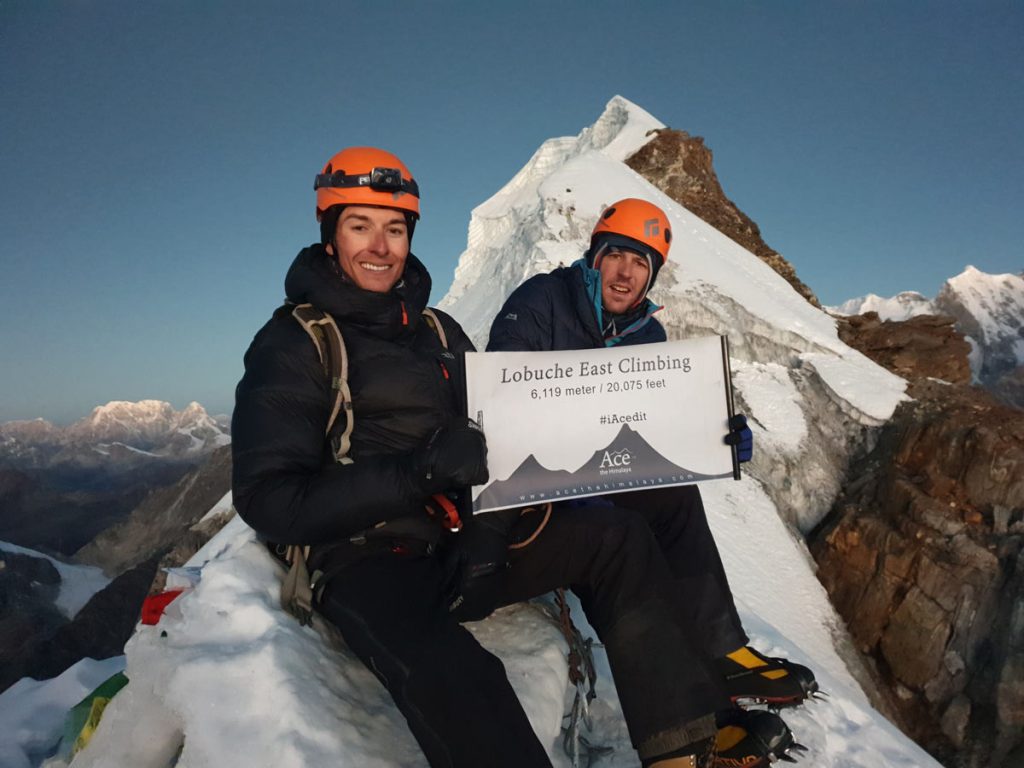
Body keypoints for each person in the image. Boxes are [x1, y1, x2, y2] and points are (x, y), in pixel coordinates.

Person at [232, 149, 741, 768]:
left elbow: (510, 434)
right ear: (331, 234)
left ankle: (679, 750)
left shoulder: (441, 331)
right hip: (369, 555)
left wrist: (702, 433)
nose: (380, 246)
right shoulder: (296, 341)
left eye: (394, 229)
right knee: (465, 681)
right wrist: (415, 473)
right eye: (359, 225)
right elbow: (269, 500)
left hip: (463, 537)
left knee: (619, 537)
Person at [486, 197, 818, 755]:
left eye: (641, 264)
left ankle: (723, 651)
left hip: (598, 487)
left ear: (652, 275)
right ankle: (692, 718)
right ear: (595, 257)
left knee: (675, 496)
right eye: (616, 255)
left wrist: (713, 433)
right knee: (627, 537)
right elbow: (502, 397)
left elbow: (653, 430)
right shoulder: (542, 300)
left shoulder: (646, 335)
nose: (626, 272)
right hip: (539, 496)